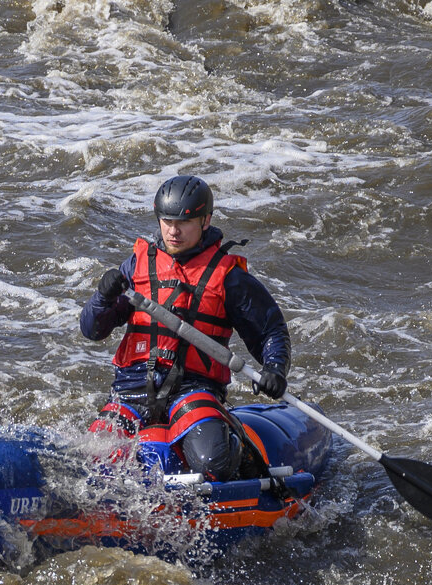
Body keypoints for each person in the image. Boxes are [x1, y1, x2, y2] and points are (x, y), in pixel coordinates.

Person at [79, 175, 291, 481]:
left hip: (193, 389)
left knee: (213, 464)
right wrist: (103, 297)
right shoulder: (137, 265)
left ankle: (239, 448)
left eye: (184, 222)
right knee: (93, 463)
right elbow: (91, 330)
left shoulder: (228, 276)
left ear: (205, 221)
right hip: (132, 389)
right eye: (166, 220)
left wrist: (275, 368)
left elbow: (271, 330)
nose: (173, 230)